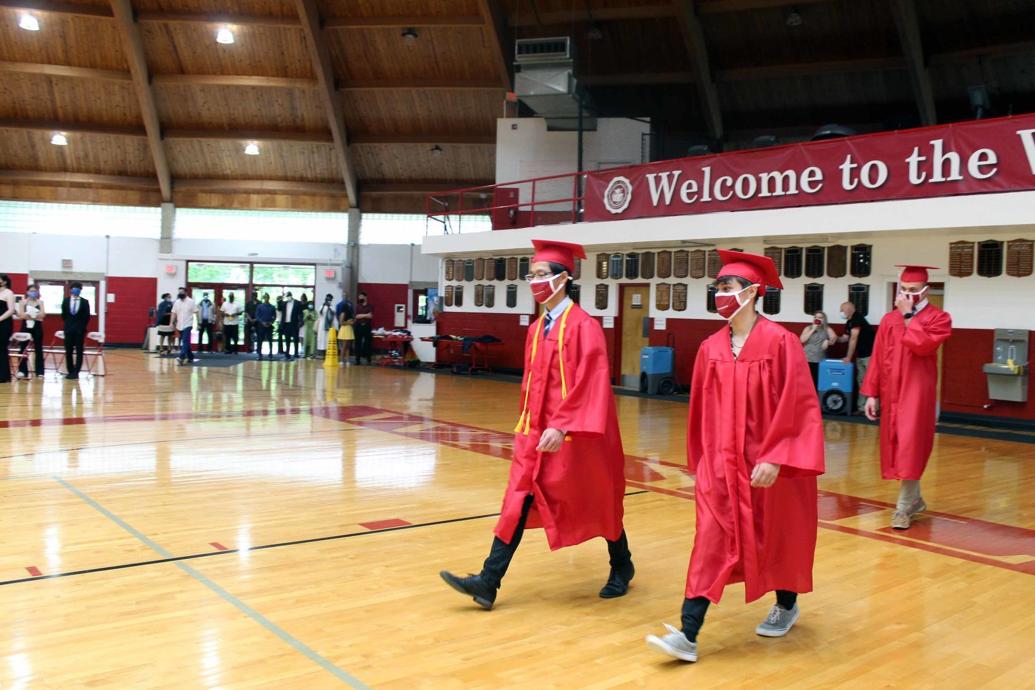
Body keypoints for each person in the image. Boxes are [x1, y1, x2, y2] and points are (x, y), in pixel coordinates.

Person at [646, 250, 825, 664]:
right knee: (710, 540)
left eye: (727, 288)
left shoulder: (781, 343)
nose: (720, 294)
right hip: (721, 467)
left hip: (768, 467)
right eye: (718, 288)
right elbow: (700, 412)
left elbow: (799, 405)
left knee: (779, 535)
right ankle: (688, 633)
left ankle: (786, 602)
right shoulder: (710, 348)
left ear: (752, 292)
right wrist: (703, 462)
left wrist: (777, 455)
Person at [440, 239, 634, 610]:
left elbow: (590, 382)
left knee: (596, 497)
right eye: (532, 274)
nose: (534, 281)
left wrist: (562, 426)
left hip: (575, 436)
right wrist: (530, 426)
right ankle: (488, 581)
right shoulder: (536, 328)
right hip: (534, 434)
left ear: (563, 279)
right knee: (518, 498)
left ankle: (622, 565)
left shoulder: (584, 327)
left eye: (541, 274)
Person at [862, 265, 952, 530]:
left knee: (911, 442)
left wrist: (909, 316)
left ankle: (903, 507)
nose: (907, 294)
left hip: (916, 391)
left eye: (913, 290)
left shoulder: (939, 317)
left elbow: (923, 346)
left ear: (926, 290)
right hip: (891, 392)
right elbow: (877, 357)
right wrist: (871, 393)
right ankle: (914, 500)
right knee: (898, 443)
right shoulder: (890, 320)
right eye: (903, 289)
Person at [838, 300, 876, 414]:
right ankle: (862, 408)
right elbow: (845, 338)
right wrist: (834, 339)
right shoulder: (849, 321)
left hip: (870, 356)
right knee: (861, 381)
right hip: (861, 356)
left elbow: (853, 339)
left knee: (872, 382)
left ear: (849, 309)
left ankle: (874, 408)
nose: (841, 312)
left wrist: (848, 357)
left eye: (842, 309)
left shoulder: (857, 318)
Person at [61, 281, 91, 380]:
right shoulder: (66, 301)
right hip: (68, 330)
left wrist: (81, 327)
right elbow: (64, 315)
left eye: (78, 289)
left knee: (79, 351)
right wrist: (69, 325)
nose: (76, 291)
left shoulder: (84, 302)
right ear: (70, 290)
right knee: (68, 351)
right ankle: (70, 371)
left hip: (79, 331)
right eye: (74, 289)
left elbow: (87, 316)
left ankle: (76, 372)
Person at [16, 284, 46, 379]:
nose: (33, 292)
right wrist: (33, 315)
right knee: (23, 348)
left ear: (37, 292)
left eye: (35, 291)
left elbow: (42, 314)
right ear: (27, 292)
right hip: (25, 326)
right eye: (31, 291)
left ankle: (40, 372)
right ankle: (22, 370)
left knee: (39, 349)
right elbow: (21, 315)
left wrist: (32, 315)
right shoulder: (23, 302)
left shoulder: (40, 302)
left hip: (37, 326)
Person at [800, 311, 837, 387]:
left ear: (824, 320)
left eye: (820, 317)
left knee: (817, 382)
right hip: (807, 359)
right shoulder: (808, 328)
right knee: (807, 382)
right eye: (816, 317)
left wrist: (828, 341)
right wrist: (813, 329)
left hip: (820, 360)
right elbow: (802, 340)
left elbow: (834, 339)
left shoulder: (827, 329)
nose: (817, 319)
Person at [170, 287, 197, 366]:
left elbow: (196, 312)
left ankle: (181, 357)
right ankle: (190, 356)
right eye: (179, 292)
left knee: (185, 341)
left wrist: (198, 323)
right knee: (186, 342)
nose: (180, 294)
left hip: (188, 324)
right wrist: (171, 322)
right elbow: (173, 313)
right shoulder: (177, 302)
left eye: (181, 292)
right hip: (179, 325)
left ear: (186, 292)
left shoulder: (191, 302)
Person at [278, 291, 303, 360]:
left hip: (294, 323)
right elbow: (279, 308)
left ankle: (296, 354)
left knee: (295, 339)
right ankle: (287, 354)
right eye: (287, 296)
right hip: (286, 324)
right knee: (287, 339)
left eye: (289, 296)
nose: (288, 297)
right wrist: (281, 298)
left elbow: (300, 313)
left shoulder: (297, 303)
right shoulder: (284, 303)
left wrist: (301, 321)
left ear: (291, 295)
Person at [0, 273, 15, 384]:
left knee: (1, 348)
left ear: (4, 281)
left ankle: (4, 376)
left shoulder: (9, 293)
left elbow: (10, 310)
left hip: (4, 324)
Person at [353, 291, 373, 365]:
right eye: (359, 297)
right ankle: (357, 360)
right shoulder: (358, 306)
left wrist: (361, 315)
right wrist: (365, 315)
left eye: (361, 296)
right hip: (358, 326)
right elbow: (356, 316)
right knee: (357, 343)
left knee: (368, 343)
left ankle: (369, 360)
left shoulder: (370, 306)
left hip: (367, 326)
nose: (360, 298)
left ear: (365, 297)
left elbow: (370, 316)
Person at [255, 294, 276, 360]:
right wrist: (262, 322)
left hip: (269, 325)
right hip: (261, 326)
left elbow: (274, 316)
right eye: (265, 297)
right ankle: (260, 355)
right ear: (264, 298)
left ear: (269, 298)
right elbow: (257, 316)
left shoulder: (272, 307)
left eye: (267, 297)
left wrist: (271, 322)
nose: (266, 298)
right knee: (260, 340)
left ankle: (270, 354)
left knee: (270, 340)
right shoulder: (260, 306)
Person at [335, 292, 355, 364]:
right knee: (344, 345)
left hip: (349, 328)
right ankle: (342, 360)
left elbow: (353, 317)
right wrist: (348, 323)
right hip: (345, 328)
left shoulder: (350, 306)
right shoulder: (342, 310)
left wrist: (352, 321)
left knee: (348, 346)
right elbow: (341, 321)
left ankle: (347, 360)